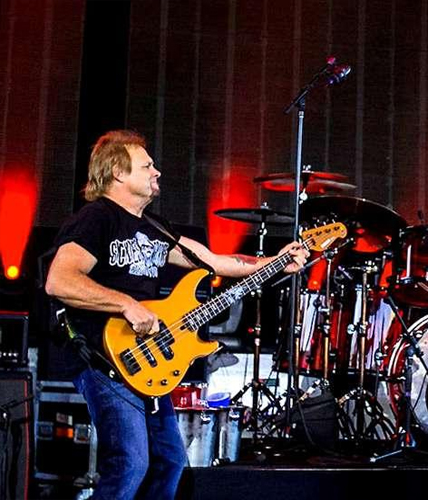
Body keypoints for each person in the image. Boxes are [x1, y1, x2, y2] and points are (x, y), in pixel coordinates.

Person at [44, 130, 308, 500]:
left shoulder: (155, 228)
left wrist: (277, 262)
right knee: (130, 464)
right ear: (118, 172)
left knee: (169, 462)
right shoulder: (96, 219)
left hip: (148, 363)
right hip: (104, 358)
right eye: (147, 166)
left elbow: (215, 262)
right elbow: (59, 281)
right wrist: (126, 304)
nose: (157, 172)